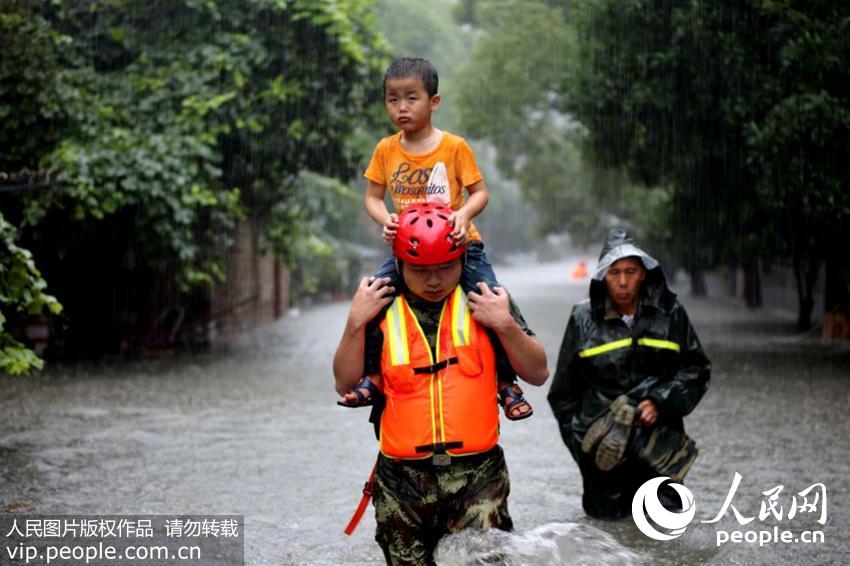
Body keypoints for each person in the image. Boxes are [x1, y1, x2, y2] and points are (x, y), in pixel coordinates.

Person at [333, 203, 549, 565]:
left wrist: (506, 324)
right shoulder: (379, 304)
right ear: (399, 264)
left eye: (446, 268)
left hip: (479, 476)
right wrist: (355, 321)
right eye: (420, 270)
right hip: (402, 484)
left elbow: (539, 373)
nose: (434, 280)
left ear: (463, 260)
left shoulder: (488, 298)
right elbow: (344, 382)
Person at [345, 57, 534, 420]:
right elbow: (371, 197)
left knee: (490, 302)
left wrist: (462, 215)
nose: (401, 107)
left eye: (411, 97)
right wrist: (387, 219)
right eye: (392, 98)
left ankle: (506, 383)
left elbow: (480, 193)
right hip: (409, 252)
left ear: (434, 101)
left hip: (461, 248)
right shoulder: (386, 149)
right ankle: (372, 376)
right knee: (372, 296)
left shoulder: (454, 147)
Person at [547, 228, 710, 519]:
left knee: (666, 534)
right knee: (607, 539)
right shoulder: (582, 319)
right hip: (604, 459)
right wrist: (584, 451)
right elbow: (563, 395)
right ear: (602, 277)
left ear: (644, 273)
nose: (623, 282)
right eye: (614, 273)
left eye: (631, 271)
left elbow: (696, 370)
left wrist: (661, 401)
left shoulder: (670, 313)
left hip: (659, 450)